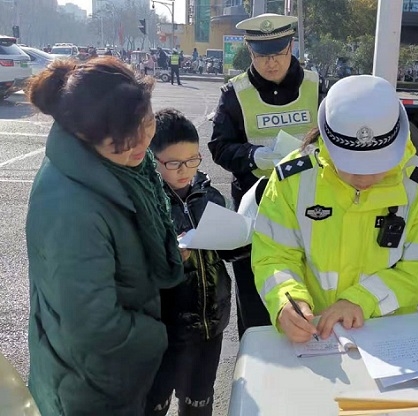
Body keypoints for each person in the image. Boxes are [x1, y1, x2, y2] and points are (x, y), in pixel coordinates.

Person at [25, 57, 184, 415]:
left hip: (111, 373)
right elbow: (94, 326)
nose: (143, 142)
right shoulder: (70, 207)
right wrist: (157, 335)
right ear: (84, 134)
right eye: (125, 139)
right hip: (92, 385)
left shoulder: (120, 165)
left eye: (147, 123)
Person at [251, 75, 418, 342]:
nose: (363, 178)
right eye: (351, 166)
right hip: (314, 337)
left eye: (375, 166)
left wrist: (362, 299)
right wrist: (287, 301)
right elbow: (274, 255)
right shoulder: (293, 179)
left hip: (390, 338)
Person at [208, 13, 321, 338]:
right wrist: (255, 155)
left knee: (311, 298)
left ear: (291, 46)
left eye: (278, 54)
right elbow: (219, 146)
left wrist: (316, 153)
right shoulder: (235, 92)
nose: (270, 63)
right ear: (250, 51)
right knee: (257, 308)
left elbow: (335, 139)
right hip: (255, 211)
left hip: (311, 209)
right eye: (261, 55)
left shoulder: (316, 86)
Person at [145, 109, 233, 416]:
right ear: (151, 159)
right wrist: (170, 256)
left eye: (193, 160)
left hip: (210, 325)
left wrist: (241, 241)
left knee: (199, 400)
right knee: (154, 401)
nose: (185, 170)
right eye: (174, 163)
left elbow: (227, 252)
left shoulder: (209, 195)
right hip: (165, 330)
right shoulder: (148, 203)